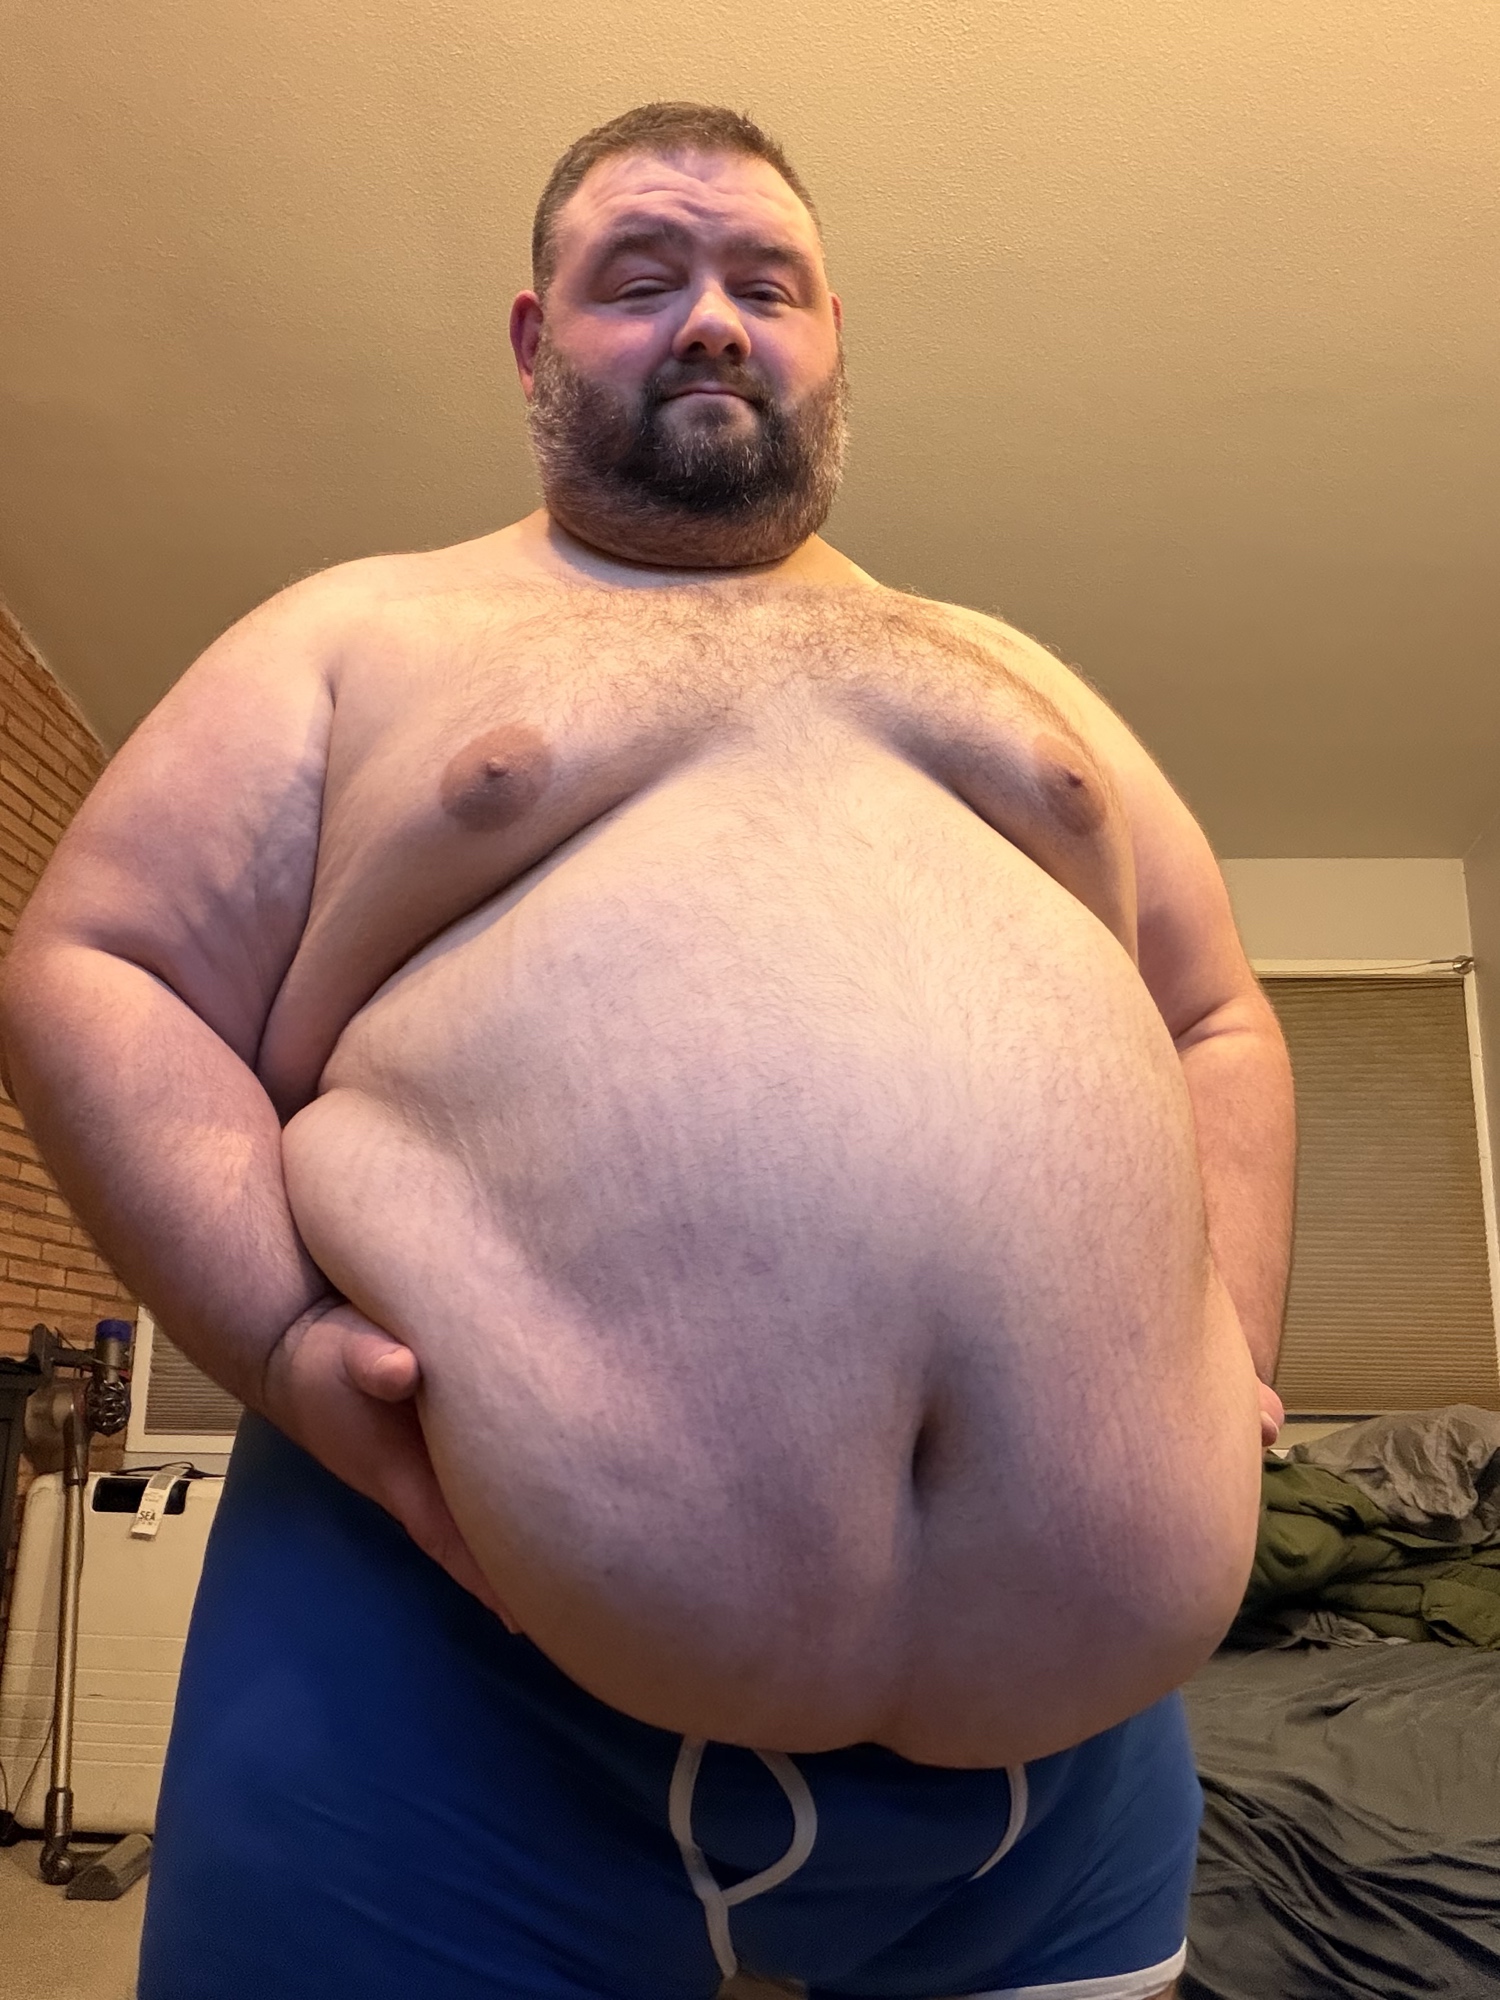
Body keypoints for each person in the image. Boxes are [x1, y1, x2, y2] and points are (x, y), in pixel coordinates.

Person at [0, 102, 1293, 2000]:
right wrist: (276, 1338)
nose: (711, 319)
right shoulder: (362, 628)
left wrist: (1228, 1339)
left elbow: (1216, 1018)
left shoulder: (1009, 665)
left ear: (833, 337)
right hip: (453, 1682)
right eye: (642, 279)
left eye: (766, 282)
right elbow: (100, 966)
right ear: (536, 342)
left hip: (1065, 1782)